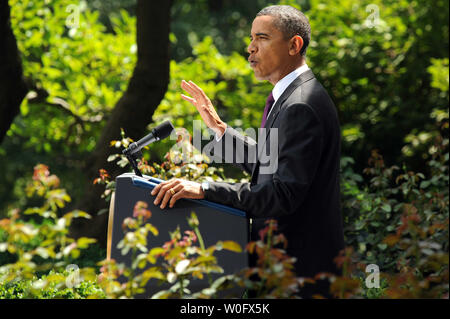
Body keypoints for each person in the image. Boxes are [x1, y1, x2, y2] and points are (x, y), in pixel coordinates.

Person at [151, 5, 344, 298]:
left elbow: (282, 194)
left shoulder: (301, 104)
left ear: (294, 45)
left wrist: (204, 189)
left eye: (262, 38)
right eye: (251, 39)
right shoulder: (293, 96)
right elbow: (269, 164)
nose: (250, 48)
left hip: (299, 276)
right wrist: (219, 130)